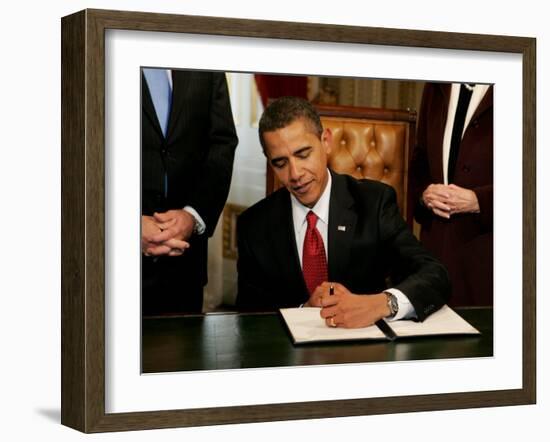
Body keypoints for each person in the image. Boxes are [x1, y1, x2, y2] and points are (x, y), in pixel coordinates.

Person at [236, 96, 450, 328]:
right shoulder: (253, 226)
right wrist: (303, 311)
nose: (295, 173)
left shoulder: (374, 202)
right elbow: (249, 320)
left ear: (326, 141)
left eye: (303, 154)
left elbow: (435, 275)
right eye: (280, 163)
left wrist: (381, 304)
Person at [141, 68, 238, 315]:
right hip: (106, 265)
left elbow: (222, 143)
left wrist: (192, 216)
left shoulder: (204, 58)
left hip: (185, 265)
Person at [408, 82, 493, 307]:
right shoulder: (436, 85)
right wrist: (425, 193)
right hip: (435, 251)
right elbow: (420, 161)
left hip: (489, 257)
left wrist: (480, 201)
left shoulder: (524, 80)